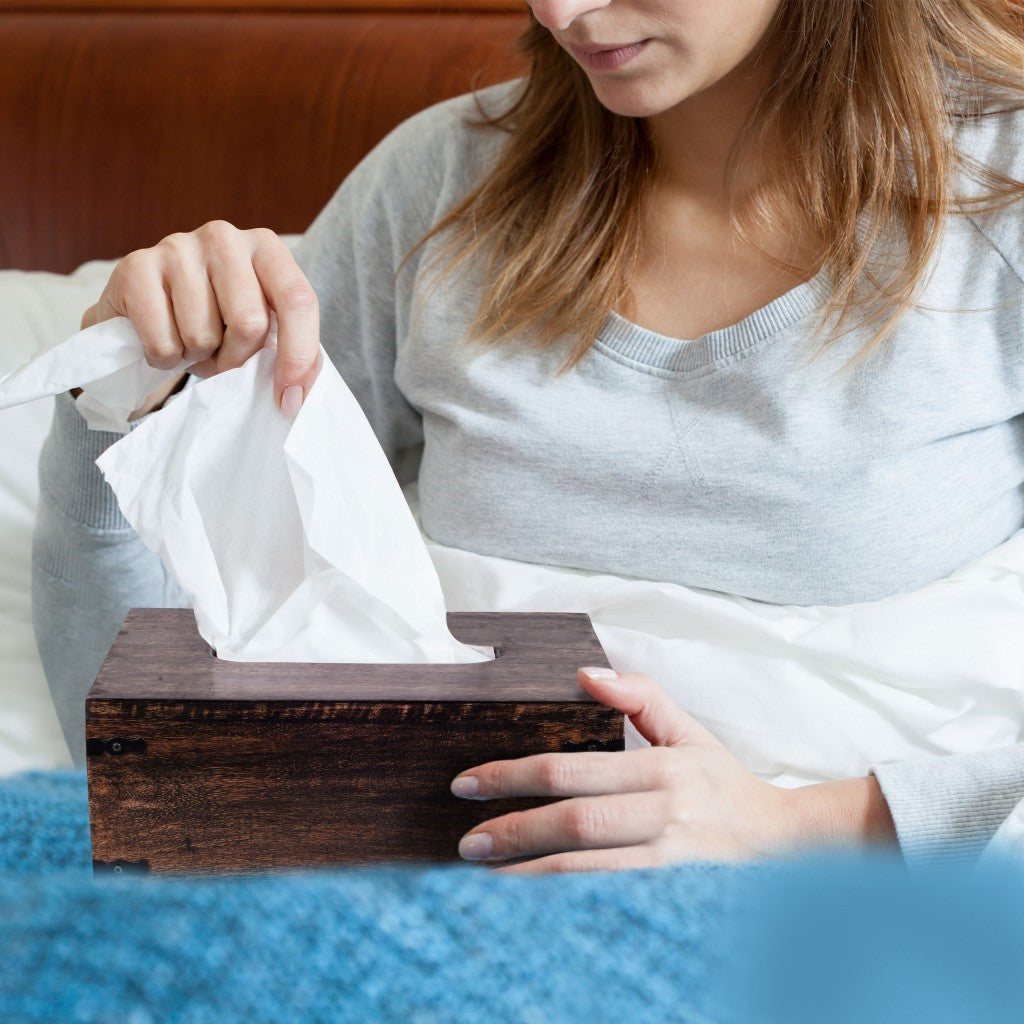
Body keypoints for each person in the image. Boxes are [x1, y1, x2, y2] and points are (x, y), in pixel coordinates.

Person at [33, 0, 1024, 873]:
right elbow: (136, 733)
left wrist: (799, 825)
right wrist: (124, 400)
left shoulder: (1001, 206)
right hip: (422, 875)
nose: (560, 11)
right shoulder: (439, 186)